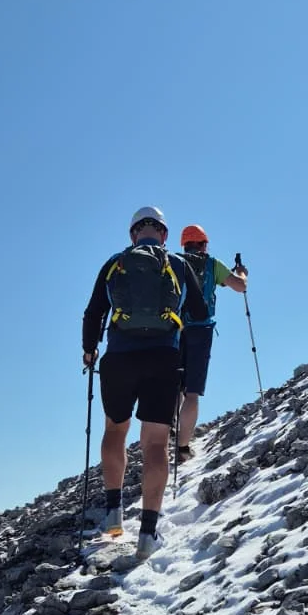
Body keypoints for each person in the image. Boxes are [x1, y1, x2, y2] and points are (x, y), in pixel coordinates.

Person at [82, 206, 208, 561]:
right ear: (165, 235)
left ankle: (112, 514)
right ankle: (148, 534)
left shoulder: (114, 263)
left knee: (115, 430)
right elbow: (198, 313)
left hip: (119, 359)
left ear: (133, 234)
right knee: (154, 443)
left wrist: (89, 351)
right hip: (163, 359)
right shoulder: (179, 265)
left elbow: (93, 312)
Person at [176, 223, 249, 462]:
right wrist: (242, 272)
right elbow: (240, 287)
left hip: (173, 329)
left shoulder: (174, 262)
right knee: (192, 393)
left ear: (184, 244)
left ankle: (168, 429)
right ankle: (183, 447)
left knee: (174, 385)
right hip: (201, 330)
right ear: (204, 244)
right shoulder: (212, 264)